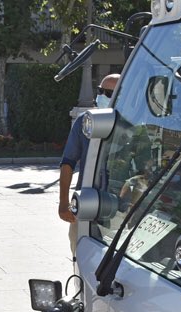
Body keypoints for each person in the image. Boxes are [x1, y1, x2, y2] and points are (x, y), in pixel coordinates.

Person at [58, 74, 119, 252]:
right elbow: (67, 163)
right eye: (99, 90)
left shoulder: (132, 125)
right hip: (85, 203)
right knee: (79, 253)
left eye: (107, 93)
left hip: (117, 209)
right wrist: (63, 203)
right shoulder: (85, 121)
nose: (100, 96)